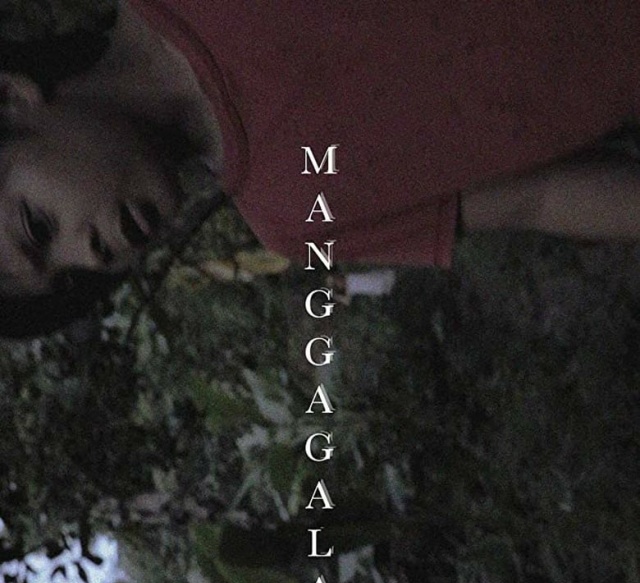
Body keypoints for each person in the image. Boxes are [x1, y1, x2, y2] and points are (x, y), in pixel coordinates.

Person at [3, 0, 640, 337]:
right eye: (70, 278)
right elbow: (539, 197)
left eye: (37, 226)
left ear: (10, 98)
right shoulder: (295, 216)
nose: (93, 257)